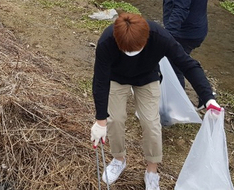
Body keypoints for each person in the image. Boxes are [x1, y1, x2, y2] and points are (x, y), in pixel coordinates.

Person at [91, 13, 219, 190]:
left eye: (135, 50)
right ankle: (119, 159)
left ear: (146, 39)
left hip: (147, 77)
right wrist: (100, 120)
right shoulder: (107, 41)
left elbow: (188, 64)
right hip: (116, 77)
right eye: (127, 51)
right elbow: (100, 80)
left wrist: (207, 97)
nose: (131, 54)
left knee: (151, 123)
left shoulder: (160, 36)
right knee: (115, 119)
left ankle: (152, 171)